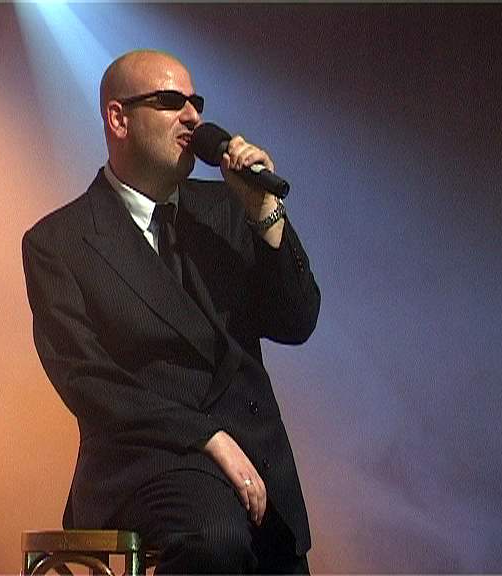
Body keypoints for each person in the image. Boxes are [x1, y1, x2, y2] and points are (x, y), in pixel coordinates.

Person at [22, 49, 321, 573]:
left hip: (254, 459)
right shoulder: (60, 242)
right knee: (215, 537)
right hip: (146, 463)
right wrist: (204, 436)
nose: (193, 118)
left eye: (196, 103)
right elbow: (88, 381)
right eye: (170, 102)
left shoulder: (228, 210)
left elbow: (296, 322)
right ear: (119, 119)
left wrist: (265, 214)